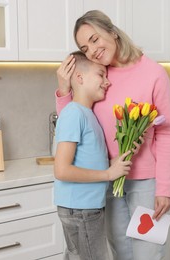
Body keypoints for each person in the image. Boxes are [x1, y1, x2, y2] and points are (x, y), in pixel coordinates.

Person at [55, 10, 170, 260]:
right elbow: (73, 120)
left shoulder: (154, 74)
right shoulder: (99, 75)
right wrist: (64, 90)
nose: (92, 50)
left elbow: (165, 134)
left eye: (95, 39)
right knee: (120, 250)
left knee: (148, 251)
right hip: (107, 182)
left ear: (112, 31)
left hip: (145, 181)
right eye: (85, 48)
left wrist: (164, 188)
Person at [54, 51, 132, 260]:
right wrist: (108, 174)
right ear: (79, 78)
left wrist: (113, 163)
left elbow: (88, 159)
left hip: (84, 207)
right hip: (81, 209)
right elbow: (62, 170)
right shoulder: (74, 113)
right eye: (101, 75)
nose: (107, 82)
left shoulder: (87, 114)